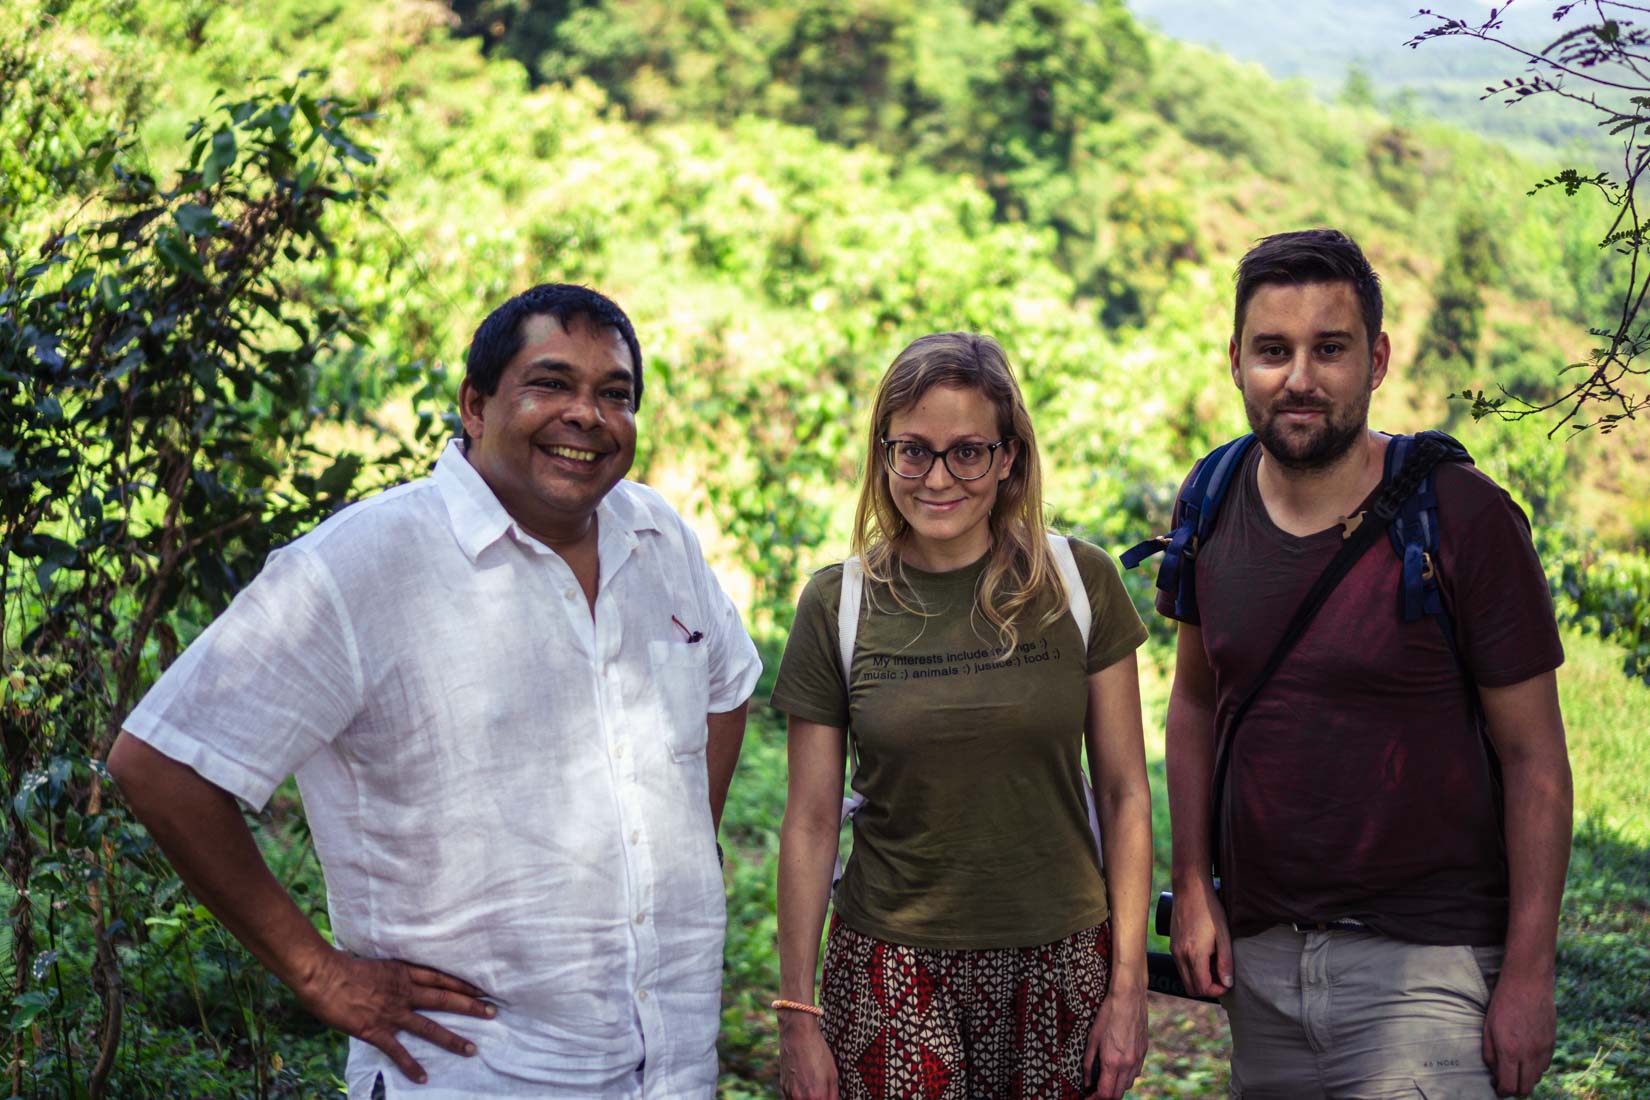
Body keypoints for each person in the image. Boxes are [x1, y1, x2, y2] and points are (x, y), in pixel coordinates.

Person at [107, 283, 762, 1100]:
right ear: (476, 407)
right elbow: (161, 763)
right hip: (473, 1073)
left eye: (615, 395)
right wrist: (317, 974)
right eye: (551, 384)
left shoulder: (659, 538)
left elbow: (727, 684)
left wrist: (680, 847)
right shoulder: (363, 564)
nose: (588, 416)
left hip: (669, 1066)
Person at [1159, 229, 1572, 1099]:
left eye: (1330, 349)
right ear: (1236, 361)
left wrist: (1529, 976)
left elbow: (1536, 761)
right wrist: (1191, 886)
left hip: (1430, 969)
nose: (1299, 377)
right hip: (1263, 966)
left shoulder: (1461, 516)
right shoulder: (1212, 497)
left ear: (1376, 360)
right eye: (1274, 350)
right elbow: (1196, 705)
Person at [769, 332, 1153, 1100]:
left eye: (968, 451)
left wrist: (1129, 987)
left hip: (1061, 963)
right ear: (884, 455)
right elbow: (810, 823)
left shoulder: (1080, 583)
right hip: (890, 968)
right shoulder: (837, 604)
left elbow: (1124, 796)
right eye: (913, 450)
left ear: (1008, 457)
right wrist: (796, 1017)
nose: (938, 478)